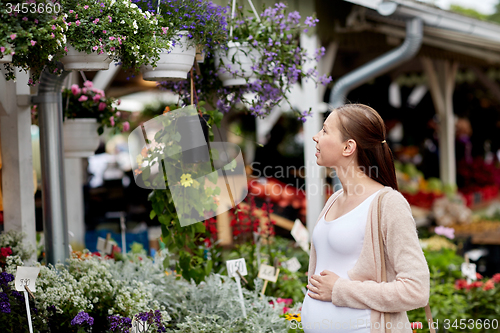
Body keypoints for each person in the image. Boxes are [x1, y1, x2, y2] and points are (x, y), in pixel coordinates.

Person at [300, 104, 430, 333]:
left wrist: (341, 290)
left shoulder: (389, 203)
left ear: (348, 147)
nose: (315, 137)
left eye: (324, 130)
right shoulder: (333, 200)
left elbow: (416, 290)